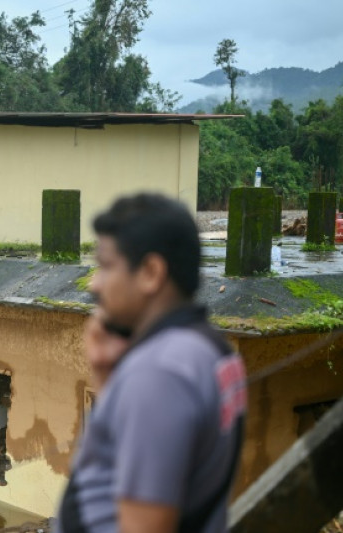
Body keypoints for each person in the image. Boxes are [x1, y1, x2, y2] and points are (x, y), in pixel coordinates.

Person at [56, 193, 247, 533]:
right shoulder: (209, 350)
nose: (94, 283)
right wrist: (108, 379)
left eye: (106, 265)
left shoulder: (159, 374)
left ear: (150, 272)